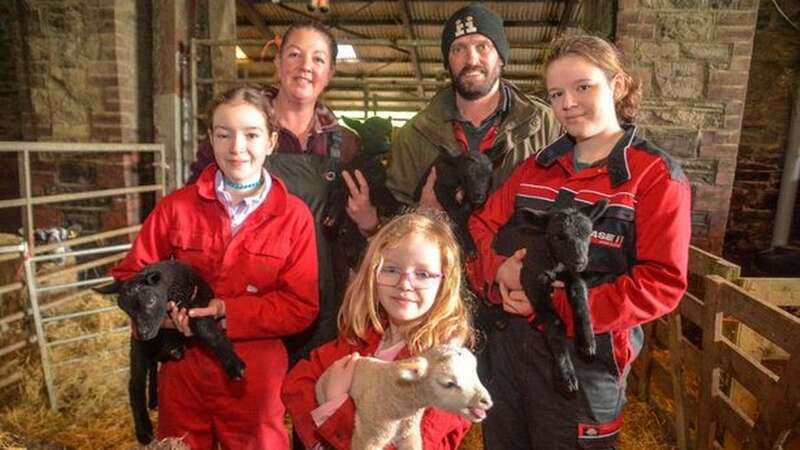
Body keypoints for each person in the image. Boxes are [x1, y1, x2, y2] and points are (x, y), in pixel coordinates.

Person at [466, 34, 692, 449]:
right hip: (510, 352)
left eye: (583, 86)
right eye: (556, 93)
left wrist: (556, 304)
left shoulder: (653, 175)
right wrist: (499, 271)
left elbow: (661, 282)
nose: (567, 103)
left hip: (586, 360)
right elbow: (480, 226)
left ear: (618, 86)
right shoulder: (536, 168)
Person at [112, 85, 319, 450]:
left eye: (252, 134)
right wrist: (158, 316)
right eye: (224, 134)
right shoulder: (176, 208)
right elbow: (131, 276)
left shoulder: (294, 216)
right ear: (211, 139)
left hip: (254, 368)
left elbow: (300, 306)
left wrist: (226, 312)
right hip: (182, 365)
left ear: (271, 141)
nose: (237, 148)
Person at [189, 20, 366, 366]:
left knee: (313, 410)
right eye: (295, 55)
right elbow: (196, 202)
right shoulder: (239, 129)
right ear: (278, 63)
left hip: (318, 297)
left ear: (328, 73)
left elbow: (354, 228)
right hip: (245, 298)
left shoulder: (343, 144)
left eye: (317, 60)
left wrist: (366, 221)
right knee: (250, 407)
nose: (305, 68)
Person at [352, 4, 561, 236]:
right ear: (447, 61)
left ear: (501, 57)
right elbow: (390, 215)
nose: (471, 59)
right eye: (458, 49)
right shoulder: (413, 134)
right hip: (439, 267)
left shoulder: (547, 124)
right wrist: (420, 216)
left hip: (518, 266)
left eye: (482, 46)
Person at [281, 211, 475, 449]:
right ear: (373, 273)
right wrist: (319, 441)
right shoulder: (366, 337)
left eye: (423, 274)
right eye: (391, 270)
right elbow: (297, 382)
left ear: (444, 283)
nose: (404, 284)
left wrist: (334, 406)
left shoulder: (445, 372)